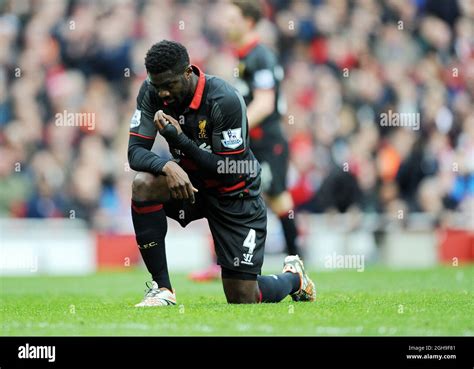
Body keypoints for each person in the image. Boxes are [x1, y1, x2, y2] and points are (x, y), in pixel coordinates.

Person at [128, 40, 315, 306]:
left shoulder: (223, 99)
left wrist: (180, 141)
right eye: (157, 86)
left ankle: (294, 278)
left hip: (234, 194)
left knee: (243, 297)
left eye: (169, 85)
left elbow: (227, 170)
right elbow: (134, 152)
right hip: (190, 187)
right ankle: (162, 288)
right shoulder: (150, 92)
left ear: (188, 72)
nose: (163, 93)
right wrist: (167, 166)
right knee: (143, 184)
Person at [189, 0, 302, 282]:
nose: (225, 25)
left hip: (266, 142)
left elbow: (265, 104)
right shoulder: (243, 56)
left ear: (248, 22)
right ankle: (223, 262)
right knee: (223, 193)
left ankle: (296, 260)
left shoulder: (259, 56)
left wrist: (233, 129)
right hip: (250, 141)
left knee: (277, 198)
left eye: (231, 19)